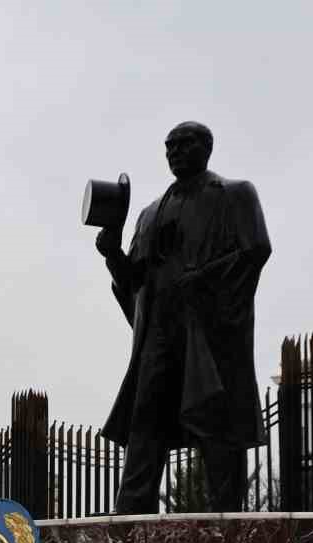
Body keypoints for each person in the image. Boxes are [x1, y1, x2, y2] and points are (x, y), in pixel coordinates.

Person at [96, 120, 272, 513]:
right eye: (169, 146)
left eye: (184, 143)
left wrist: (201, 280)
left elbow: (255, 250)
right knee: (145, 427)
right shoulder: (148, 213)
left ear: (207, 147)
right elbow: (134, 284)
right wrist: (112, 254)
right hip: (157, 334)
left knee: (215, 424)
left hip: (205, 333)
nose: (174, 151)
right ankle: (128, 524)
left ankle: (226, 521)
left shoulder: (233, 194)